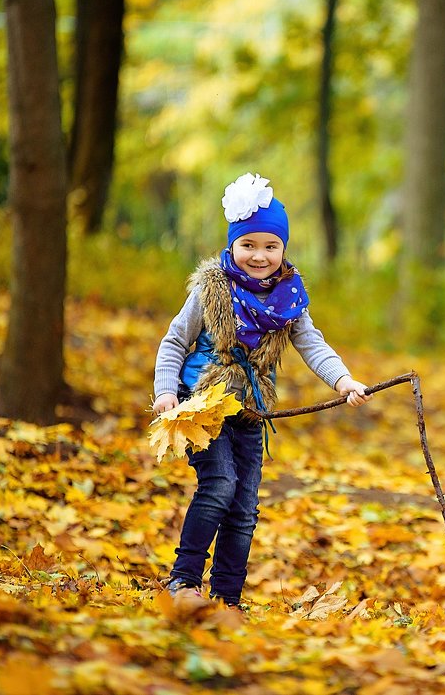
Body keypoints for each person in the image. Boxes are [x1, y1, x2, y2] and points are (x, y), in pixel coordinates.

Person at [152, 172, 371, 608]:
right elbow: (175, 340)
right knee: (220, 485)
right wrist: (165, 392)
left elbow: (313, 344)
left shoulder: (288, 297)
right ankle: (183, 581)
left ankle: (227, 599)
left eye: (271, 246)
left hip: (251, 413)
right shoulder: (213, 289)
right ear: (233, 244)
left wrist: (344, 380)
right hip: (203, 407)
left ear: (283, 250)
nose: (259, 256)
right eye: (248, 245)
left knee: (245, 507)